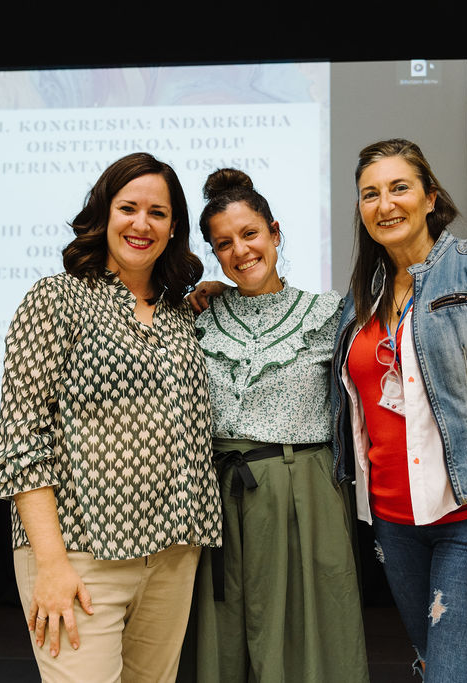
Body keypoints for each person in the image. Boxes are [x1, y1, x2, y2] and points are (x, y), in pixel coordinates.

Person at [0, 152, 222, 683]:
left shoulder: (182, 313)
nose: (142, 224)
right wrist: (51, 564)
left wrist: (220, 291)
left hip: (173, 552)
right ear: (104, 213)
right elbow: (22, 439)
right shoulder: (56, 299)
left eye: (158, 213)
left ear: (174, 227)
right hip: (80, 554)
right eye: (128, 208)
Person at [332, 139, 467, 682]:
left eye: (399, 188)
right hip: (394, 525)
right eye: (370, 194)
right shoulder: (360, 299)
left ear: (430, 197)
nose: (385, 204)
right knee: (434, 665)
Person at [185, 169, 369, 682]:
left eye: (250, 234)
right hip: (219, 496)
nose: (241, 251)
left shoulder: (328, 313)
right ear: (214, 253)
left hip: (303, 489)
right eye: (225, 243)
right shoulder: (196, 316)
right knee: (222, 639)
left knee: (310, 640)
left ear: (274, 232)